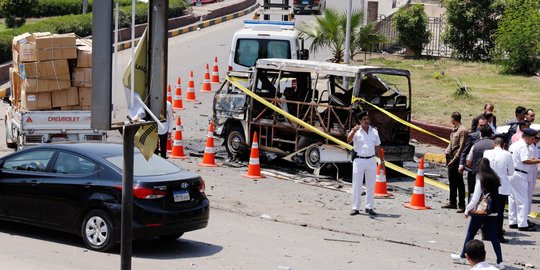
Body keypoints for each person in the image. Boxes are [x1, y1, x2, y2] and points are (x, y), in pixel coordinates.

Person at [451, 158, 504, 270]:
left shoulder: (480, 177)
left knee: (470, 234)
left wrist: (467, 210)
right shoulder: (494, 177)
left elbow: (475, 198)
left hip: (481, 212)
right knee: (494, 237)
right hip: (493, 211)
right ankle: (500, 262)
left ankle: (462, 256)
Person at [347, 110, 384, 217]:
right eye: (364, 119)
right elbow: (348, 140)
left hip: (371, 160)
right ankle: (355, 208)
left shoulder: (374, 132)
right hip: (359, 160)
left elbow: (377, 146)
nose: (367, 121)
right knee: (357, 185)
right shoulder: (356, 131)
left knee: (371, 185)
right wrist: (353, 131)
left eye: (368, 119)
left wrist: (381, 161)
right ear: (360, 121)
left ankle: (369, 207)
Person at [508, 128, 540, 231]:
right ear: (527, 138)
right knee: (522, 199)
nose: (533, 141)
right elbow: (525, 160)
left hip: (512, 173)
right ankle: (522, 224)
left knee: (513, 199)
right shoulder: (522, 146)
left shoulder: (515, 144)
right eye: (532, 139)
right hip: (519, 174)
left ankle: (513, 221)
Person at [483, 136, 514, 243]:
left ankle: (485, 233)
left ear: (494, 144)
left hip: (488, 184)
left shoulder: (486, 152)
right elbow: (511, 172)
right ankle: (498, 234)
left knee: (487, 209)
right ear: (504, 145)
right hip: (501, 186)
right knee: (499, 212)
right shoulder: (507, 154)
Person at [443, 112, 468, 211]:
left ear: (454, 119)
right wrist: (447, 151)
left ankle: (461, 204)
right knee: (452, 181)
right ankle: (452, 202)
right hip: (451, 157)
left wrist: (454, 160)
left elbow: (461, 147)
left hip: (457, 159)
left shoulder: (463, 131)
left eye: (451, 119)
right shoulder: (454, 129)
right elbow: (451, 143)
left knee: (459, 182)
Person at [465, 125, 494, 204]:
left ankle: (473, 210)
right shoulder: (494, 145)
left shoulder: (476, 145)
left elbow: (468, 162)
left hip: (478, 172)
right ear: (491, 134)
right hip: (492, 173)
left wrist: (476, 168)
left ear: (481, 134)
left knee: (476, 192)